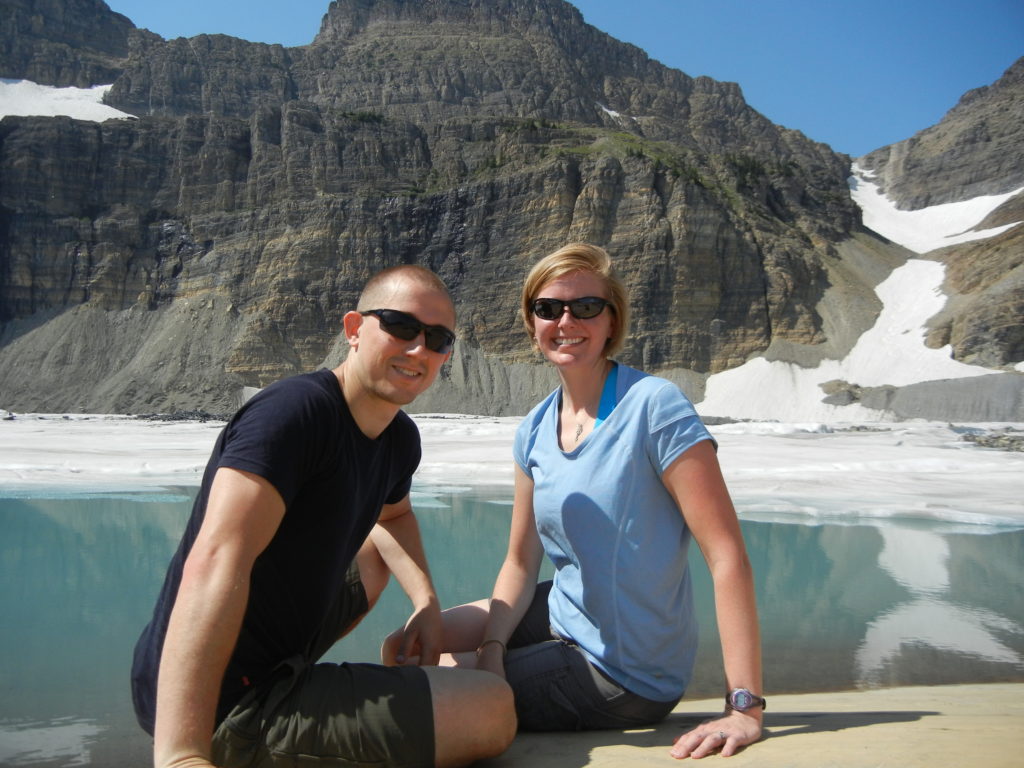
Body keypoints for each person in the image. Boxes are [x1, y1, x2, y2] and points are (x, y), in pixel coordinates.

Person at [387, 244, 763, 760]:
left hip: (625, 673)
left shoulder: (655, 406)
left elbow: (726, 557)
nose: (567, 321)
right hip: (566, 613)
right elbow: (521, 561)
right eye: (549, 308)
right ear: (532, 321)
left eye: (586, 307)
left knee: (428, 682)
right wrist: (494, 649)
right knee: (410, 645)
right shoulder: (535, 429)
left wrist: (744, 707)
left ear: (612, 320)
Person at [131, 265, 516, 768]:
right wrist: (182, 752)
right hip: (224, 699)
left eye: (438, 339)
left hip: (278, 652)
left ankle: (305, 695)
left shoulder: (398, 439)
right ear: (354, 329)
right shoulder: (293, 414)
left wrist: (425, 601)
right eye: (400, 326)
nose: (419, 349)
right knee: (492, 708)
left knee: (376, 552)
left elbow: (394, 519)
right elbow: (217, 560)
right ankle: (245, 734)